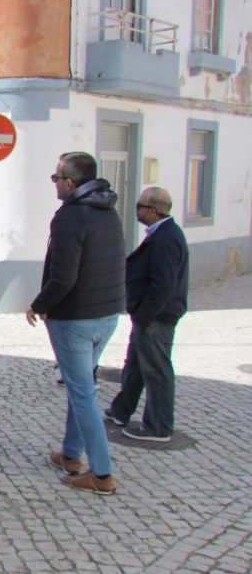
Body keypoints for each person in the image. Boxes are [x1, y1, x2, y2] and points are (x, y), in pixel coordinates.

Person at [27, 152, 126, 495]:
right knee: (79, 386)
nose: (54, 184)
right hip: (107, 315)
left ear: (70, 183)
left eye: (55, 178)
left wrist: (38, 305)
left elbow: (63, 276)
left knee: (83, 393)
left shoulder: (71, 216)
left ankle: (100, 474)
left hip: (76, 319)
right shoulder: (109, 211)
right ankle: (71, 455)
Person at [105, 186, 189, 442]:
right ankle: (121, 411)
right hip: (147, 315)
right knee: (135, 365)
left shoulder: (166, 238)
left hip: (156, 318)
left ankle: (159, 427)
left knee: (156, 370)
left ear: (153, 210)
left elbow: (164, 285)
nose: (136, 210)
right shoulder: (160, 233)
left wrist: (144, 315)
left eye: (139, 206)